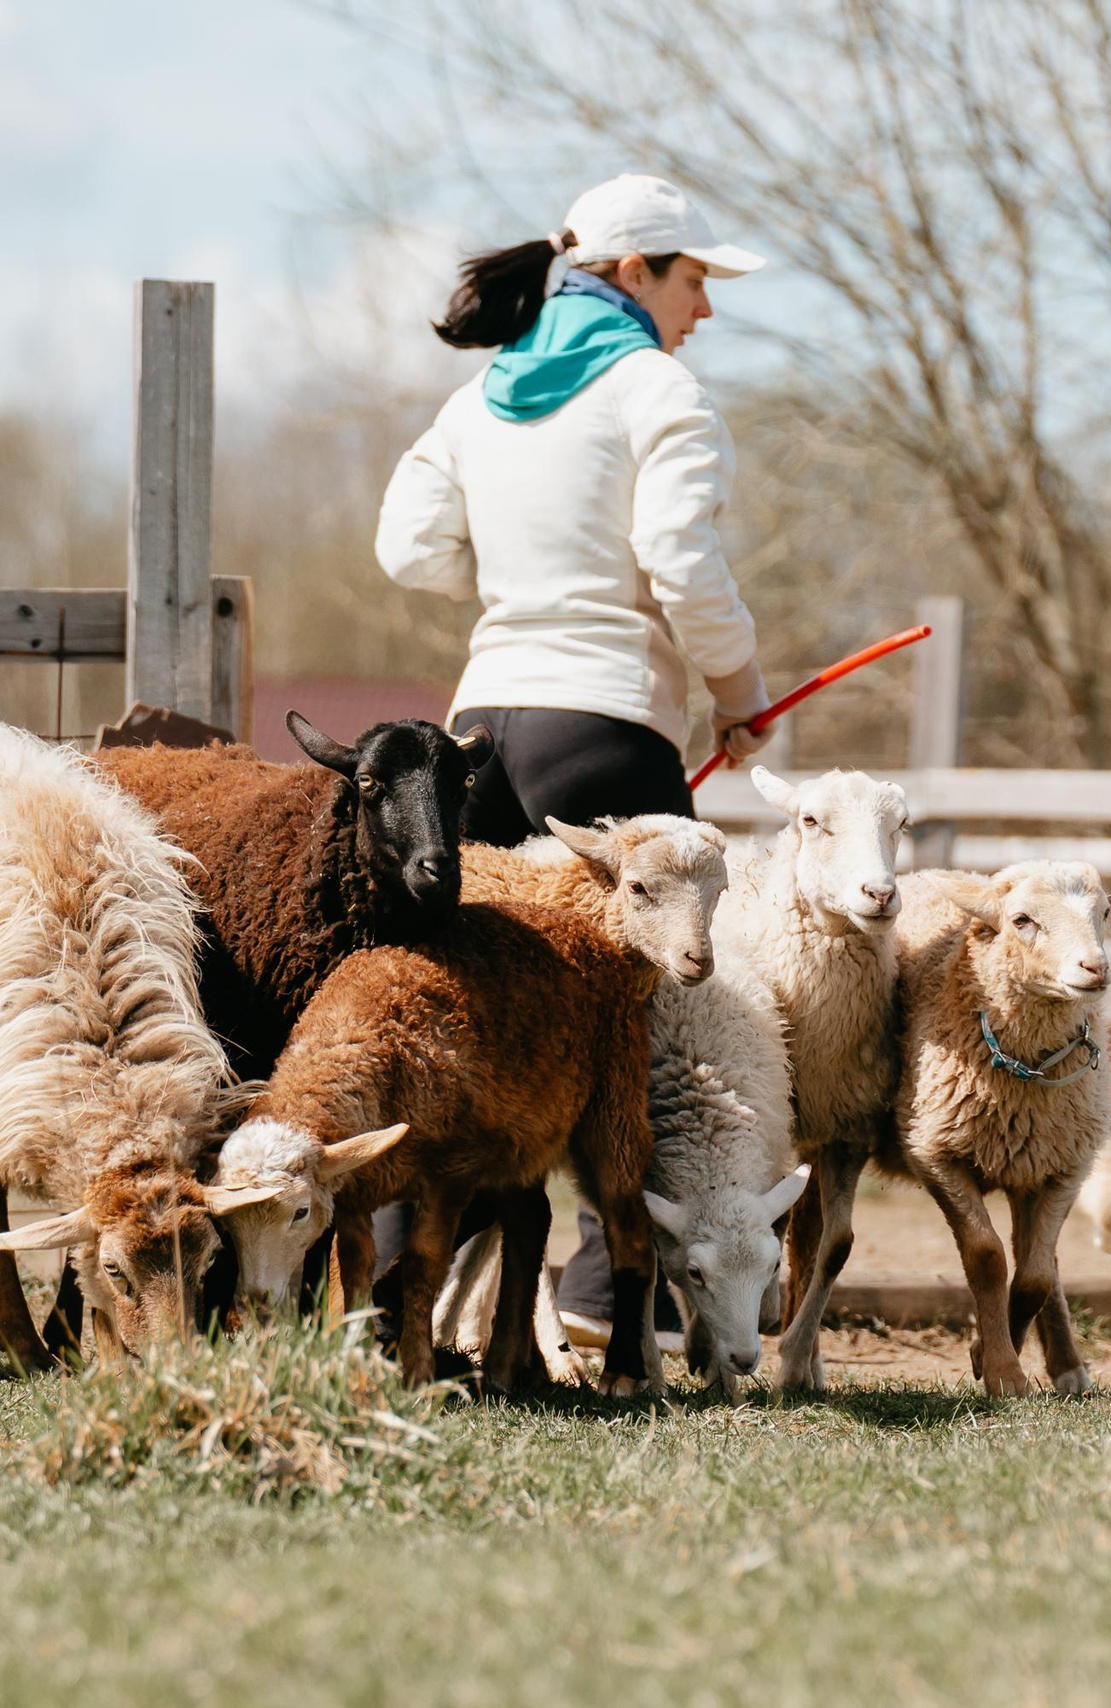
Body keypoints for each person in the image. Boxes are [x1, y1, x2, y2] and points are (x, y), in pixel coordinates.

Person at [374, 172, 774, 1347]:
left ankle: (399, 1301)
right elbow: (681, 562)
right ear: (635, 271)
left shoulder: (477, 399)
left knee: (450, 1009)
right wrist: (742, 696)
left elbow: (407, 549)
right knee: (636, 1020)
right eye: (694, 277)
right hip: (605, 733)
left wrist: (515, 582)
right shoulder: (660, 389)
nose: (705, 306)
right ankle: (609, 1296)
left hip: (478, 730)